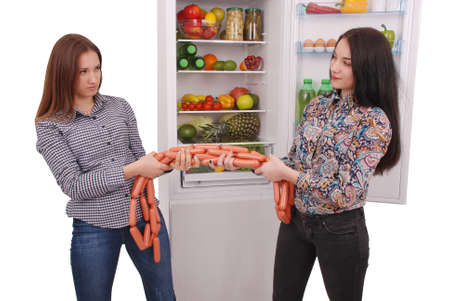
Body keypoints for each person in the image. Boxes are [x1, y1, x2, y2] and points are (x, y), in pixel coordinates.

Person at [212, 27, 401, 301]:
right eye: (334, 57)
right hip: (296, 221)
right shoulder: (317, 106)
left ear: (369, 66)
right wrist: (246, 162)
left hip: (341, 229)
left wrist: (287, 173)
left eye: (346, 62)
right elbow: (294, 160)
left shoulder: (374, 121)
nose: (335, 67)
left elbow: (346, 192)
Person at [35, 33, 198, 301]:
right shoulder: (50, 126)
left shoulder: (120, 107)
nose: (93, 78)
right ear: (63, 74)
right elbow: (74, 186)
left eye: (97, 68)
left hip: (146, 216)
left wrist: (170, 163)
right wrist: (132, 170)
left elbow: (142, 160)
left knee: (163, 295)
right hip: (95, 225)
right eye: (83, 71)